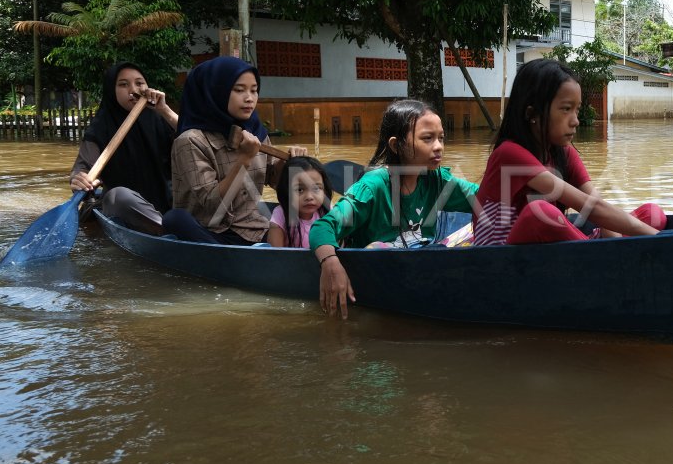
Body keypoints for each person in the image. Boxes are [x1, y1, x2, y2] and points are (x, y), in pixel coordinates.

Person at [311, 99, 478, 317]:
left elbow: (487, 199)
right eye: (427, 139)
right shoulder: (373, 187)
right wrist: (330, 262)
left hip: (419, 269)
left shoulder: (438, 180)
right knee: (379, 247)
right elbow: (323, 226)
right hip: (381, 276)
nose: (438, 146)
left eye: (441, 138)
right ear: (396, 145)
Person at [474, 57, 665, 246]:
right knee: (540, 214)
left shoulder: (563, 152)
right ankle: (604, 257)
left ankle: (605, 255)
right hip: (502, 257)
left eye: (577, 110)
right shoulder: (509, 154)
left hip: (543, 251)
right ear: (532, 114)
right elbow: (592, 208)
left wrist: (614, 241)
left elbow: (594, 203)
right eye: (566, 109)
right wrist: (662, 240)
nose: (575, 121)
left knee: (653, 215)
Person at [162, 55, 306, 244]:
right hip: (211, 231)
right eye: (239, 90)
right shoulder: (190, 141)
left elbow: (274, 180)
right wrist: (244, 160)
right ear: (216, 92)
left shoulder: (255, 131)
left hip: (253, 227)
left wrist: (289, 164)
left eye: (254, 91)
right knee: (175, 219)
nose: (249, 98)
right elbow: (213, 205)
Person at [69, 62, 178, 235]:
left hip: (167, 200)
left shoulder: (161, 118)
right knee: (118, 196)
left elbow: (197, 140)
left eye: (139, 83)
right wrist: (78, 178)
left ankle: (174, 226)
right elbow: (83, 167)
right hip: (125, 206)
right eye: (123, 84)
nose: (133, 90)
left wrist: (165, 111)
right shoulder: (101, 125)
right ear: (112, 90)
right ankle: (169, 234)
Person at [267, 156, 331, 248]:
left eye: (316, 188)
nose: (309, 197)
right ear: (286, 191)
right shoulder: (281, 214)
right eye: (300, 189)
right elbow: (275, 254)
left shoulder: (327, 211)